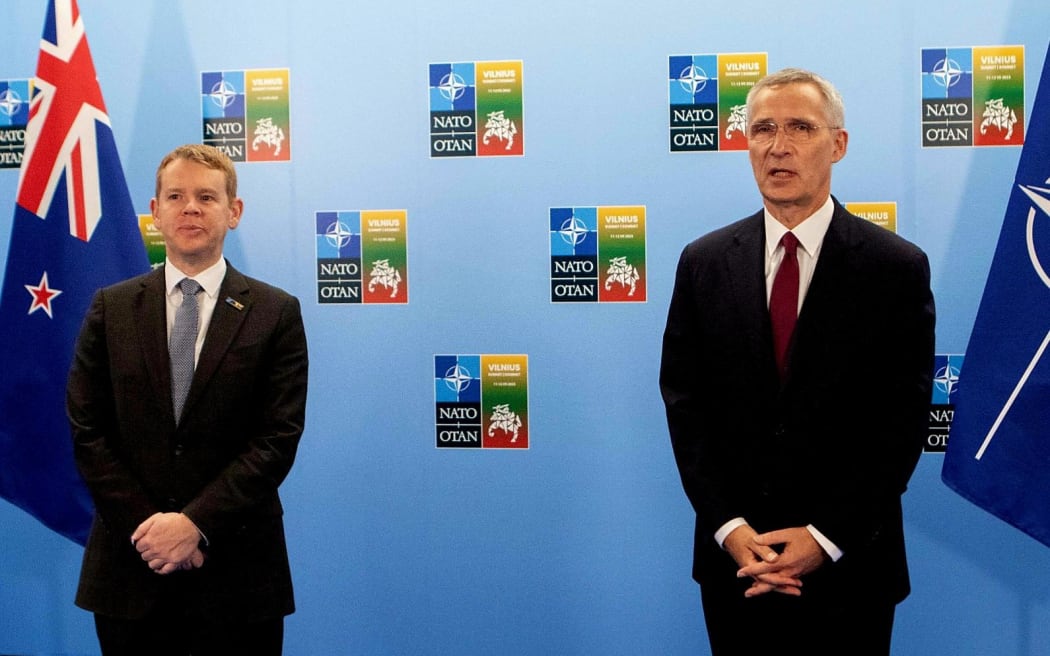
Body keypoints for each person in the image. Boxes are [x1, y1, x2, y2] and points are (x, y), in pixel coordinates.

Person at [659, 68, 935, 655]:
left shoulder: (895, 267)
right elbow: (686, 406)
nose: (778, 146)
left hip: (851, 565)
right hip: (739, 567)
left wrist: (826, 537)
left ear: (838, 144)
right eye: (763, 129)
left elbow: (902, 422)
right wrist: (730, 530)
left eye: (800, 128)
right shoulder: (702, 262)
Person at [67, 144, 309, 655]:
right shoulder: (111, 308)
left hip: (239, 576)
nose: (190, 208)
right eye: (175, 196)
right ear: (154, 212)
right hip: (131, 570)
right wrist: (152, 532)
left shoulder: (275, 313)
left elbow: (276, 439)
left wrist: (195, 524)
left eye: (206, 196)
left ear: (234, 212)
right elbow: (88, 429)